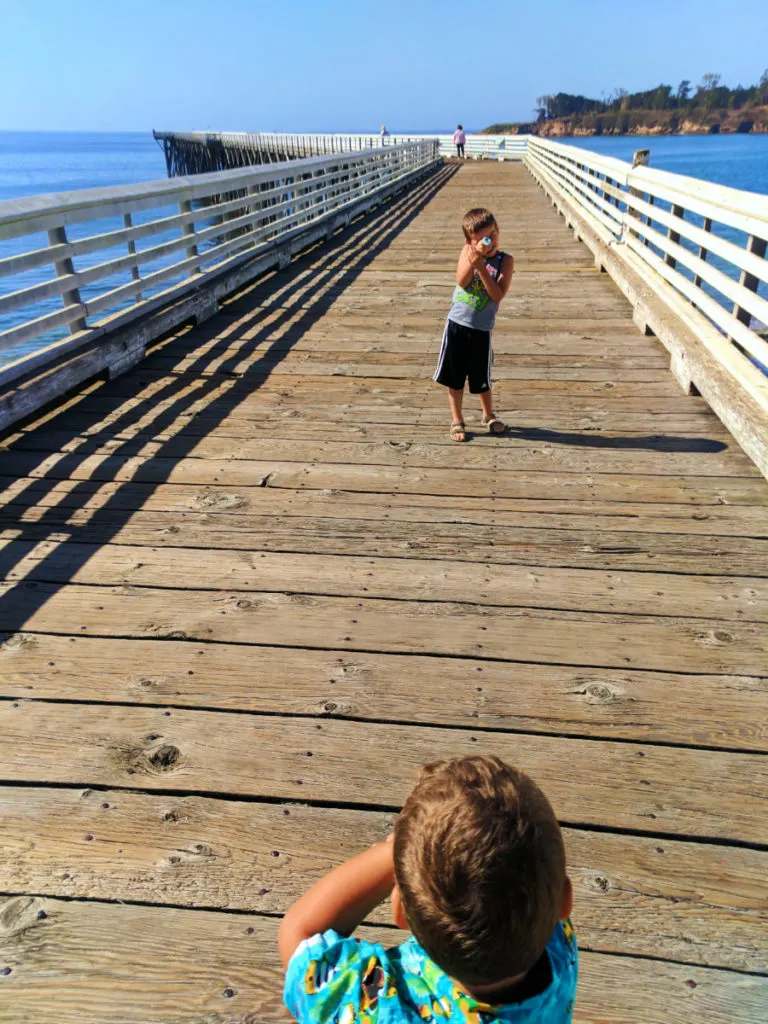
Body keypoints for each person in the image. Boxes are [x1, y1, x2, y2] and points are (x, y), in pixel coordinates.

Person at [280, 755, 578, 1024]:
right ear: (565, 902)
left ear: (400, 911)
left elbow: (300, 934)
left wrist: (392, 854)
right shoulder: (557, 948)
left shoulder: (380, 1010)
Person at [433, 208, 514, 441]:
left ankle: (488, 415)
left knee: (482, 377)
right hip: (457, 323)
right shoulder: (467, 252)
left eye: (493, 235)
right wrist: (474, 260)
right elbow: (462, 280)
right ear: (470, 241)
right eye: (482, 239)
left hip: (481, 329)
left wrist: (482, 267)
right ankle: (457, 419)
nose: (489, 243)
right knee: (454, 376)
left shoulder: (505, 261)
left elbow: (497, 295)